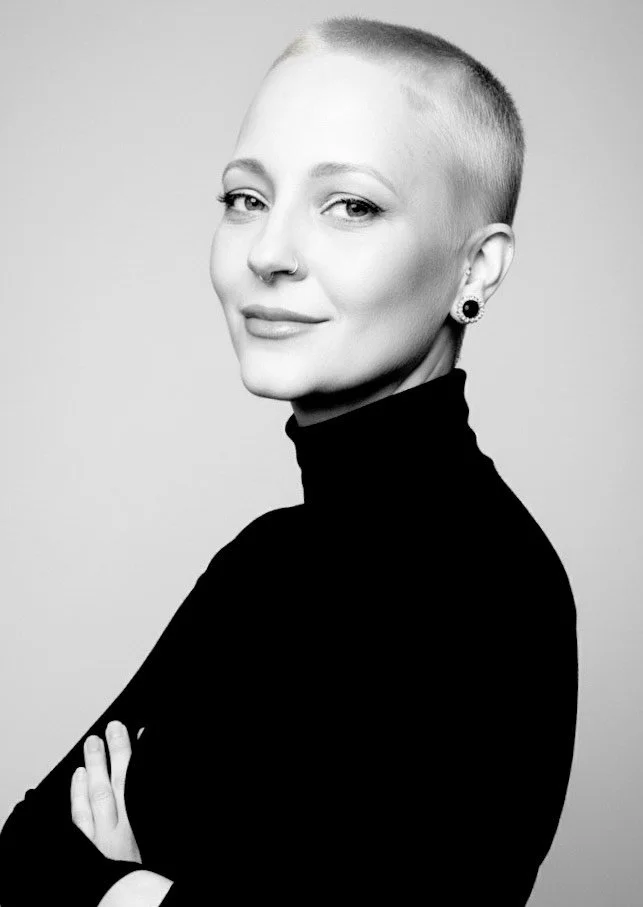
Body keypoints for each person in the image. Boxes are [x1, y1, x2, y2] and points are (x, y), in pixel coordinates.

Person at [0, 16, 578, 907]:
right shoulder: (261, 563)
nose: (267, 253)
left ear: (478, 269)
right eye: (245, 198)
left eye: (351, 204)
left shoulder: (496, 591)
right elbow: (23, 856)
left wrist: (120, 886)